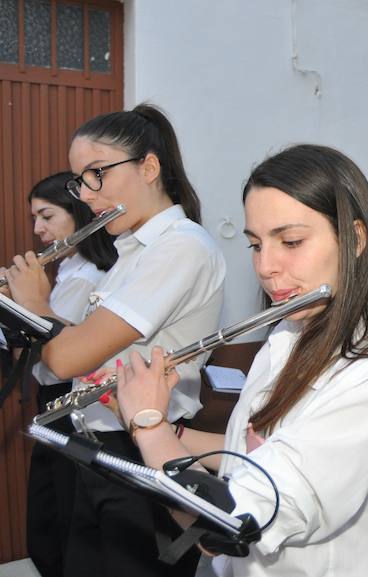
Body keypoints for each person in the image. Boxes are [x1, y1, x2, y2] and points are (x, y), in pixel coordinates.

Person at [112, 144, 368, 577]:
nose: (266, 267)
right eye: (255, 244)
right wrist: (165, 426)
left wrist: (150, 426)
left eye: (290, 241)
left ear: (355, 239)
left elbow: (234, 521)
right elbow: (250, 457)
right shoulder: (288, 334)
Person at [4, 104, 226, 577]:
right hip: (99, 447)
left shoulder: (180, 247)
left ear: (149, 167)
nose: (86, 195)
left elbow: (65, 360)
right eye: (81, 181)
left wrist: (36, 307)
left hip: (144, 453)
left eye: (97, 174)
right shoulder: (129, 251)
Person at [0, 172, 116, 577]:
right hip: (54, 401)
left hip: (72, 403)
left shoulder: (91, 275)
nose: (38, 230)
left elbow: (56, 355)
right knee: (48, 519)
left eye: (47, 216)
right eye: (35, 218)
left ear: (79, 213)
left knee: (65, 520)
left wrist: (20, 307)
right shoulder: (69, 269)